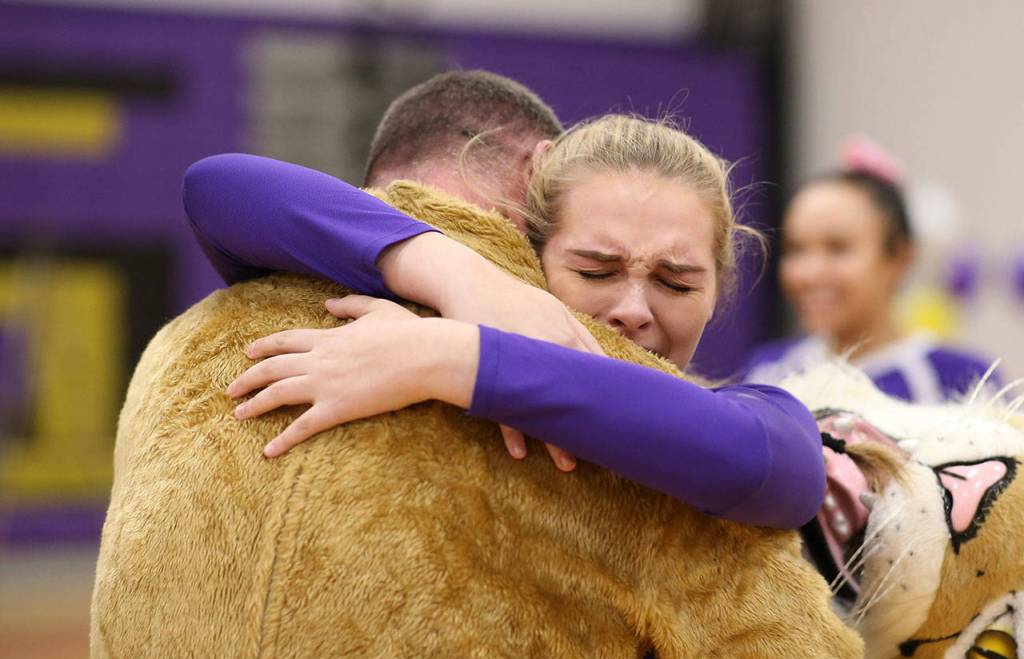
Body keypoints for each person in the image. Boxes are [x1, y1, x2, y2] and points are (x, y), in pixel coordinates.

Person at [183, 71, 825, 531]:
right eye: (595, 270)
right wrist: (461, 276)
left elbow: (770, 466)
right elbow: (216, 186)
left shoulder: (741, 415)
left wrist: (447, 357)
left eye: (677, 282)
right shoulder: (396, 319)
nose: (634, 309)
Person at [745, 139, 1001, 403]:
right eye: (795, 249)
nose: (809, 273)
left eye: (837, 248)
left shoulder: (962, 380)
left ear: (899, 257)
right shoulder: (769, 372)